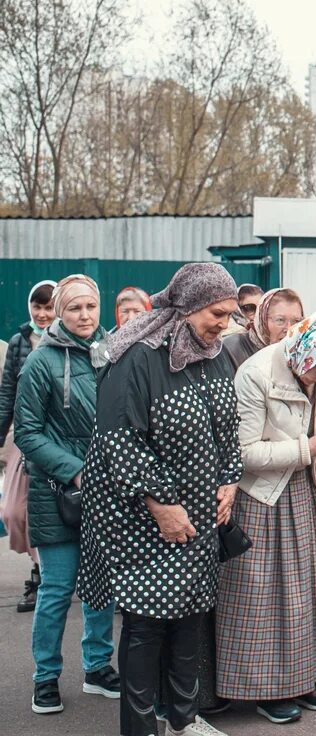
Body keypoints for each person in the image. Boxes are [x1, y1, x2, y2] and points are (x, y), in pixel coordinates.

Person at [80, 263, 242, 736]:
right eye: (217, 313)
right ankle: (139, 727)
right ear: (188, 307)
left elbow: (228, 427)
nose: (224, 324)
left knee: (191, 616)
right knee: (147, 624)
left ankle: (184, 719)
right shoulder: (137, 357)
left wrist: (229, 480)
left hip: (199, 514)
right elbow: (119, 439)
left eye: (231, 315)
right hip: (142, 517)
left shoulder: (216, 355)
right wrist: (159, 503)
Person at [217, 311, 316, 725]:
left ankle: (302, 678)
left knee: (305, 593)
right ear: (306, 358)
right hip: (259, 496)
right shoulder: (255, 374)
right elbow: (242, 454)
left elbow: (310, 426)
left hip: (296, 487)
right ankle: (264, 689)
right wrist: (308, 446)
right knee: (260, 597)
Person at [13, 275, 119, 715]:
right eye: (74, 307)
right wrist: (76, 472)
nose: (84, 315)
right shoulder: (40, 362)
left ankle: (97, 668)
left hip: (109, 493)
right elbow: (28, 433)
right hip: (57, 492)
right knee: (57, 589)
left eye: (91, 306)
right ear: (59, 311)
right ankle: (46, 677)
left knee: (102, 587)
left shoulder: (112, 352)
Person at [1, 279, 55, 613]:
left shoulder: (75, 340)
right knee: (14, 511)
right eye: (38, 306)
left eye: (49, 307)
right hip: (25, 435)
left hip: (59, 436)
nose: (44, 313)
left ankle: (43, 576)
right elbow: (8, 391)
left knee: (50, 511)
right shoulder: (21, 341)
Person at [222, 287, 303, 374]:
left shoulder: (302, 353)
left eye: (297, 321)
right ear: (262, 320)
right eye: (280, 320)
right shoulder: (232, 348)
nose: (289, 329)